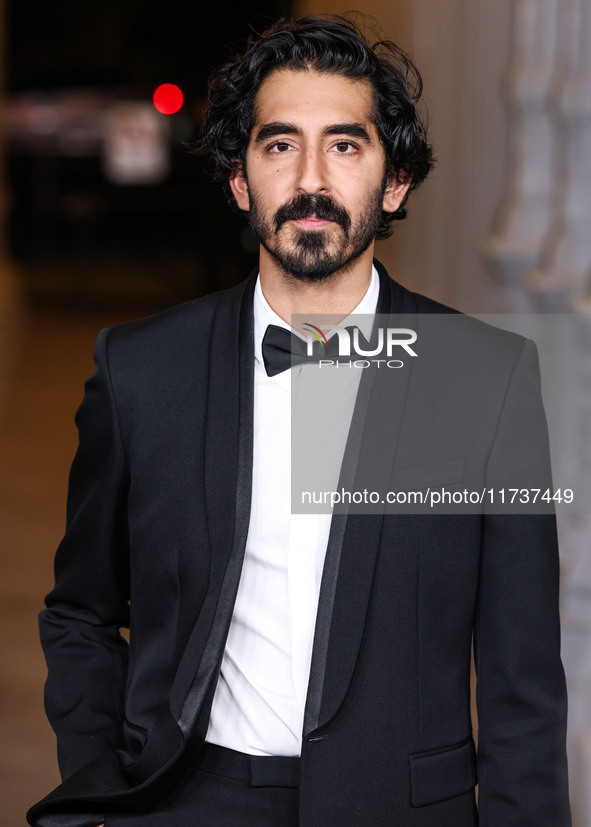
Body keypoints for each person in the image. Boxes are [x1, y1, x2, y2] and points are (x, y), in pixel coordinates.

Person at [28, 15, 571, 827]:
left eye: (345, 146)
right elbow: (80, 610)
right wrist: (102, 786)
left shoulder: (484, 379)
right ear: (240, 181)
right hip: (184, 804)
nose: (310, 178)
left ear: (394, 183)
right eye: (280, 145)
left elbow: (520, 680)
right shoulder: (140, 369)